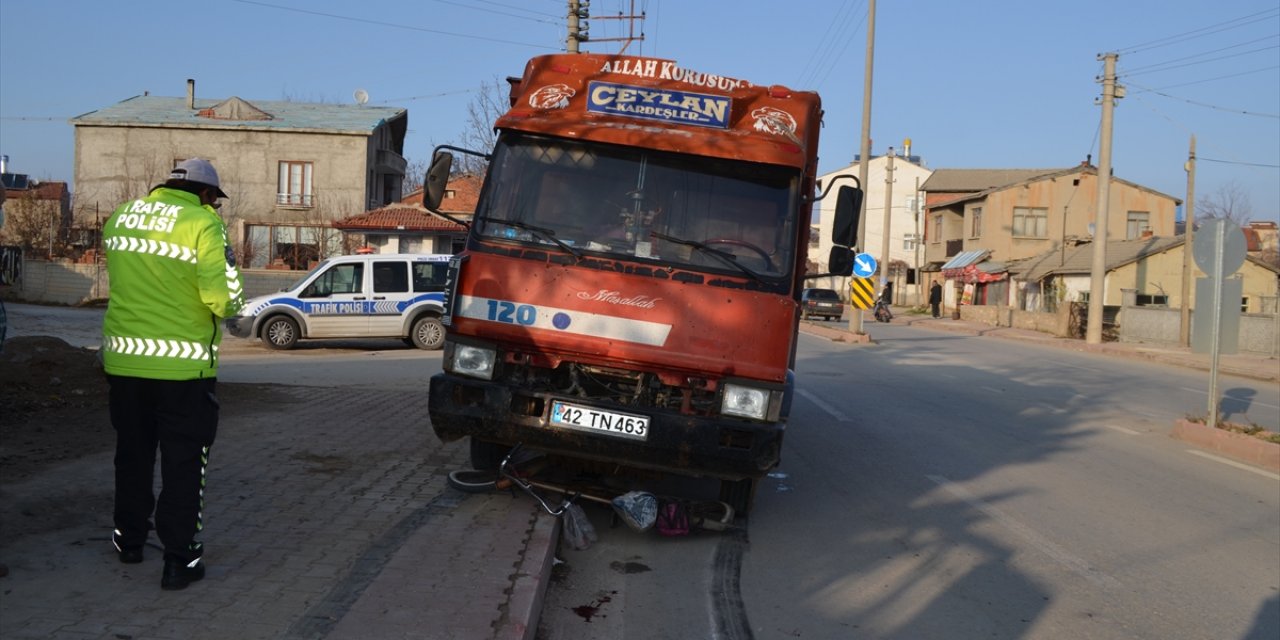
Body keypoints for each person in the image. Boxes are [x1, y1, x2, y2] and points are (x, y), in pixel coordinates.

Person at [101, 158, 245, 590]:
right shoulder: (203, 224)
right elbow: (224, 302)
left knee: (133, 452)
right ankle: (179, 561)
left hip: (124, 362)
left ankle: (129, 541)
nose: (215, 208)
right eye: (214, 202)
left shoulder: (122, 215)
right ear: (205, 194)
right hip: (183, 369)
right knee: (184, 462)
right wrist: (231, 271)